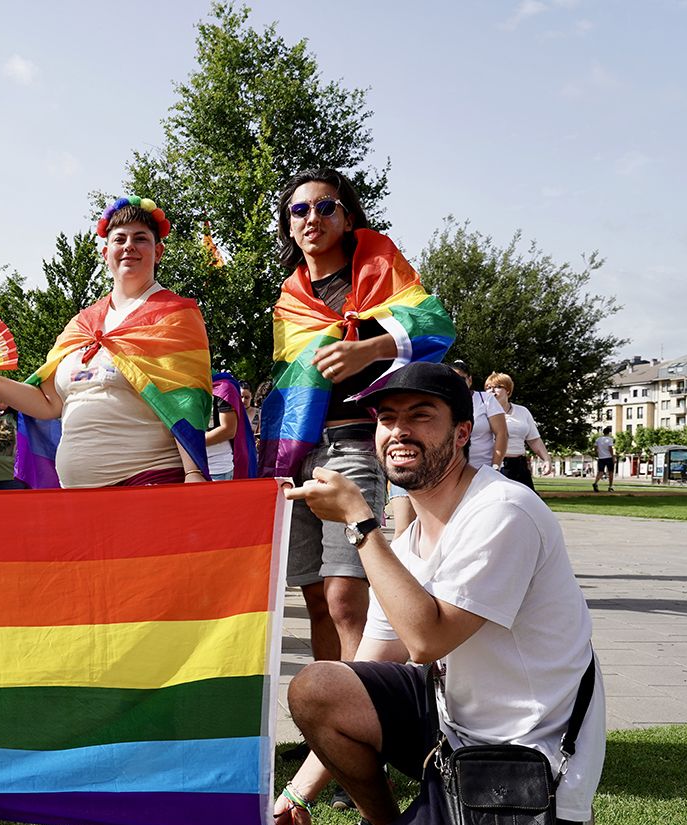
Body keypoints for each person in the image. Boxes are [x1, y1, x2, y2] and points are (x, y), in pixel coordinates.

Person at [270, 362, 605, 825]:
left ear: (461, 434)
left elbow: (426, 639)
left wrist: (359, 522)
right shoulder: (412, 533)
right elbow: (369, 666)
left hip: (524, 748)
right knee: (318, 686)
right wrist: (295, 797)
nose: (398, 431)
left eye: (420, 417)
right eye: (387, 418)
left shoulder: (503, 512)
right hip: (452, 725)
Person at [258, 167, 455, 662]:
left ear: (347, 219)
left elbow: (436, 326)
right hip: (297, 452)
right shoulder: (290, 297)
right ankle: (324, 727)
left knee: (346, 599)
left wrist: (368, 350)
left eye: (326, 207)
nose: (312, 218)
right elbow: (291, 379)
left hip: (354, 443)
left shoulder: (377, 269)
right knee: (315, 600)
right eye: (299, 210)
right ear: (288, 224)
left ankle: (359, 718)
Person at [0, 196, 212, 488]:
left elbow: (186, 401)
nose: (129, 246)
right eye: (119, 239)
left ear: (158, 251)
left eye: (141, 239)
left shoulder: (175, 314)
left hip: (149, 483)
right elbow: (49, 403)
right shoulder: (82, 323)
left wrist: (194, 474)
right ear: (105, 252)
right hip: (77, 496)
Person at [486, 372, 551, 491]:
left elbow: (534, 440)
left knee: (531, 505)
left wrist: (546, 459)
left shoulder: (522, 411)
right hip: (495, 465)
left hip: (520, 467)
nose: (492, 390)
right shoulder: (483, 413)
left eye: (497, 387)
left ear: (508, 391)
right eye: (488, 387)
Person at [447, 360, 507, 471]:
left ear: (469, 380)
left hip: (484, 469)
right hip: (451, 471)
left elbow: (502, 434)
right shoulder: (443, 402)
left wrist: (495, 466)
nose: (457, 383)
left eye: (461, 379)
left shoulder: (486, 399)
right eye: (452, 380)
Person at [205, 373, 255, 481]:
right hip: (189, 466)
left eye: (246, 397)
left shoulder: (222, 388)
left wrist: (192, 442)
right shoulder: (183, 387)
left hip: (217, 469)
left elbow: (228, 430)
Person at [593, 426, 616, 492]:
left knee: (600, 472)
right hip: (608, 457)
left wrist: (597, 454)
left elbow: (595, 448)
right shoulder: (609, 439)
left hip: (601, 458)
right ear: (609, 433)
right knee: (610, 472)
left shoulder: (598, 439)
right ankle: (610, 486)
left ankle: (596, 483)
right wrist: (613, 457)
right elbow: (610, 448)